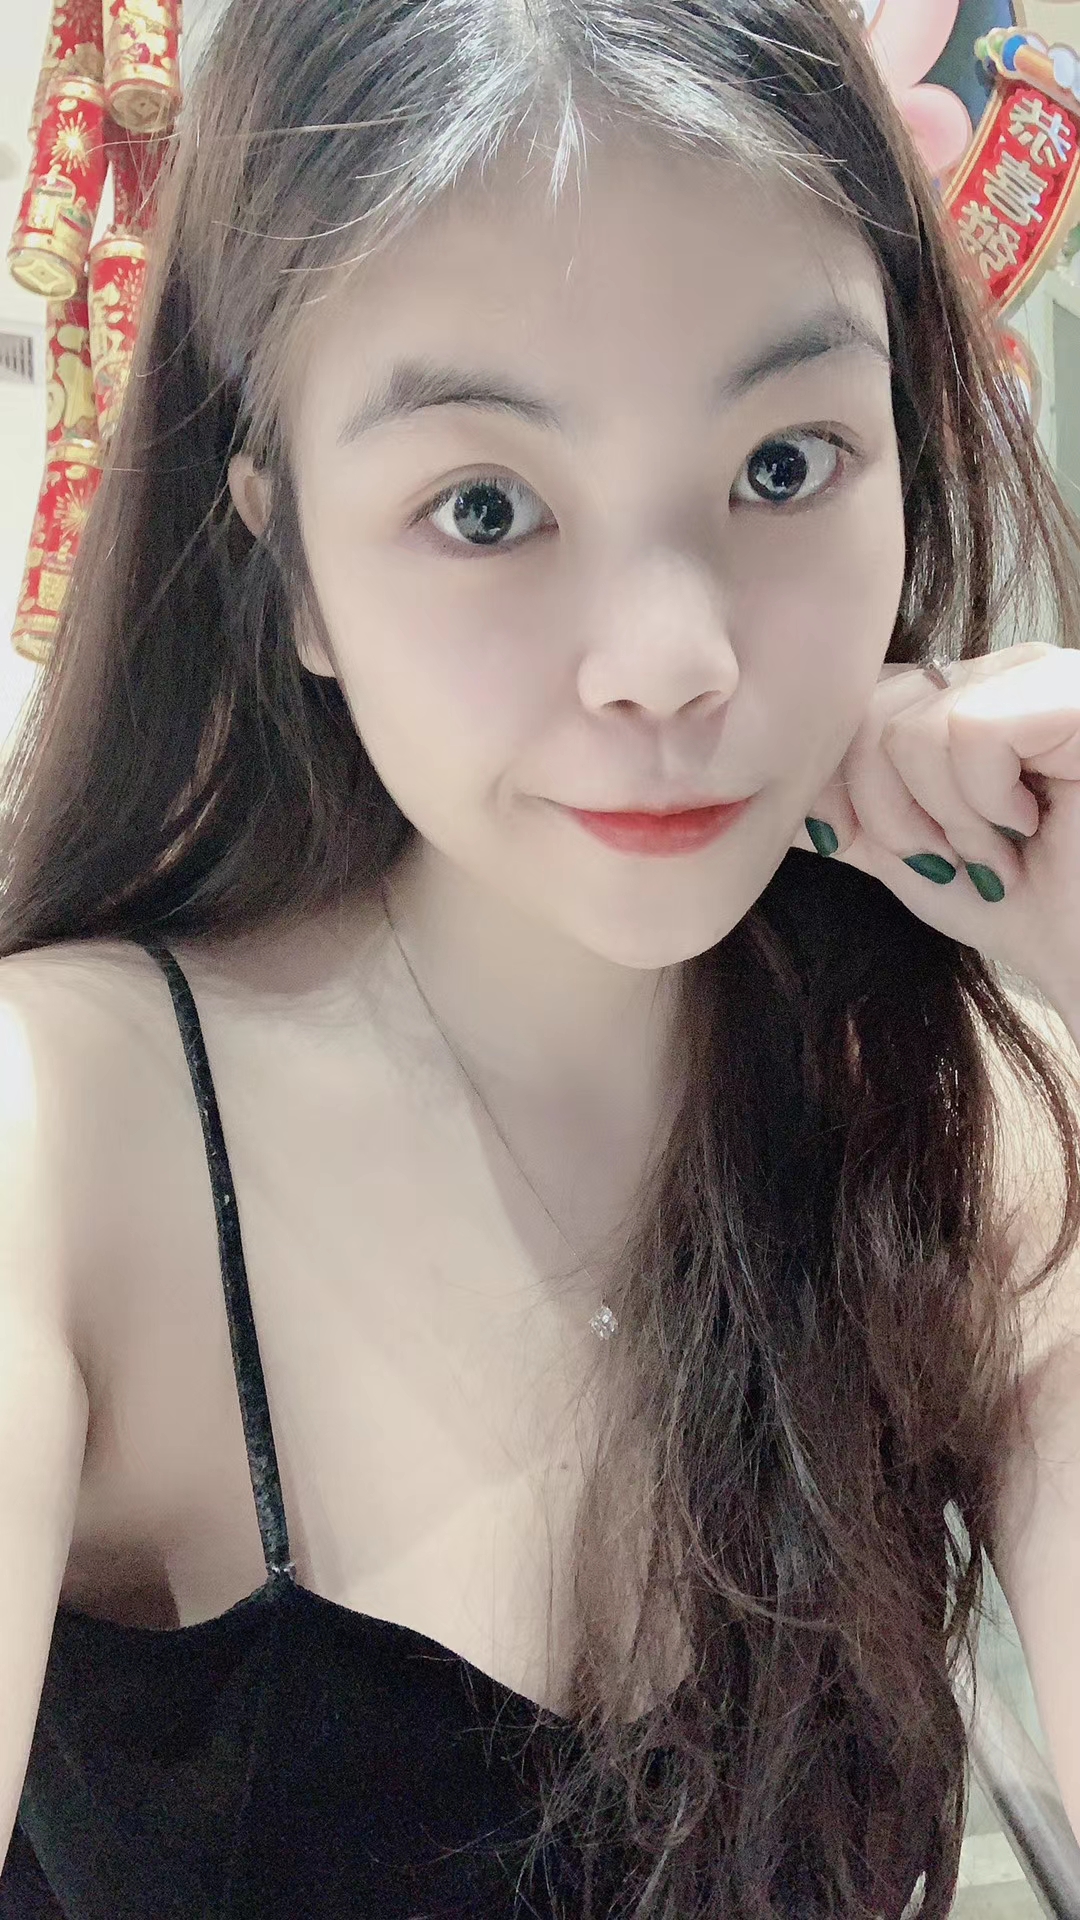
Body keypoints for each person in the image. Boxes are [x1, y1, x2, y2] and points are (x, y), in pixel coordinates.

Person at [2, 0, 1080, 1914]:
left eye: (785, 464)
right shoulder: (60, 1141)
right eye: (485, 507)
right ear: (289, 562)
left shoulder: (973, 1125)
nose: (672, 657)